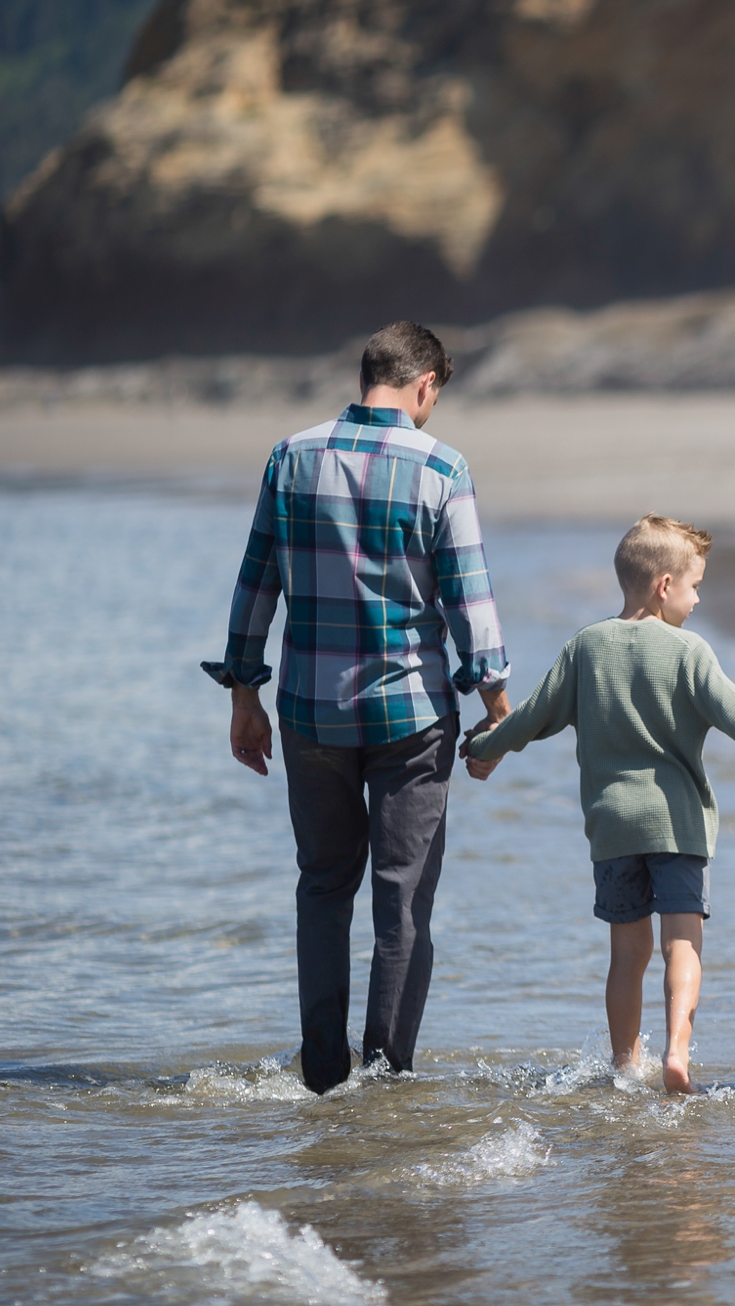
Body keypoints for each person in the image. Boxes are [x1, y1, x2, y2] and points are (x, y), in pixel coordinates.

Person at [202, 321, 511, 1095]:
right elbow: (470, 601)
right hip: (413, 717)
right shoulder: (441, 466)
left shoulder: (292, 455)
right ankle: (385, 1079)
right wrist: (499, 708)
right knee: (401, 897)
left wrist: (246, 694)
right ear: (426, 384)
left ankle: (322, 1074)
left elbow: (256, 584)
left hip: (310, 712)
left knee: (322, 886)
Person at [461, 513, 735, 1093]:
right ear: (665, 585)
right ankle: (677, 1056)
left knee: (626, 954)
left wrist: (485, 745)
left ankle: (623, 1068)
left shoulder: (585, 647)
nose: (695, 601)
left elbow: (534, 717)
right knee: (681, 944)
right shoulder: (690, 652)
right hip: (678, 825)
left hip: (613, 829)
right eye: (694, 588)